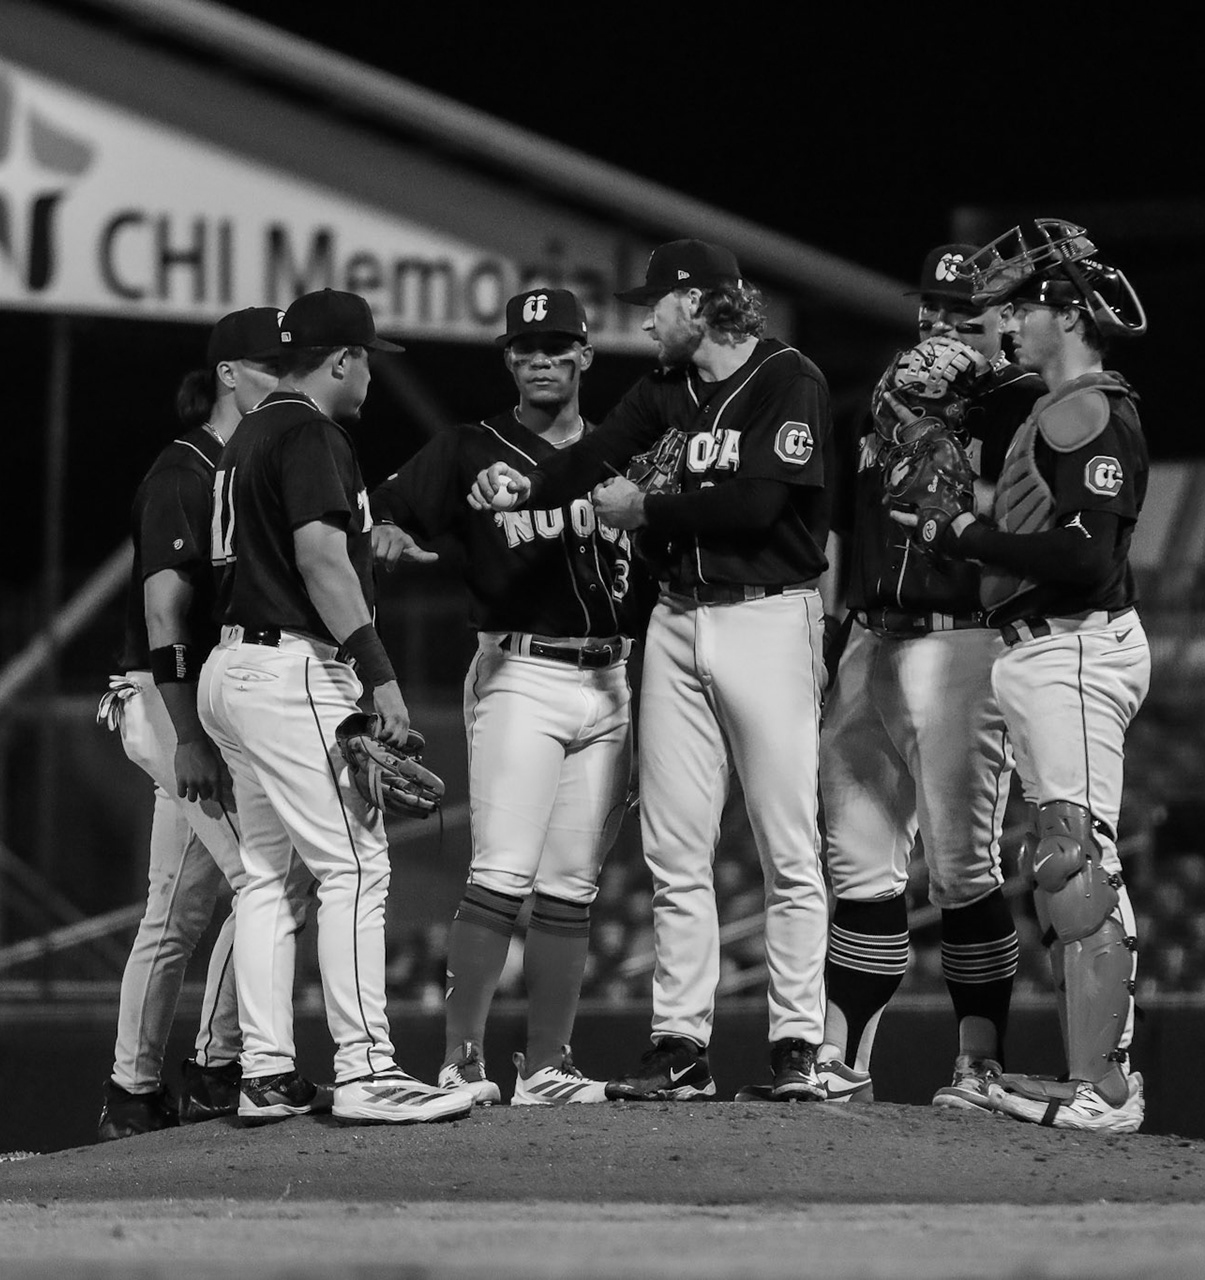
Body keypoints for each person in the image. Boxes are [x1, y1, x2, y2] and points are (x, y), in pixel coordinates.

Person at [468, 240, 833, 1102]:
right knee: (675, 847)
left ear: (698, 302)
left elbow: (758, 503)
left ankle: (797, 1044)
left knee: (787, 845)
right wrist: (518, 488)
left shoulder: (788, 379)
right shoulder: (666, 388)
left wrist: (649, 507)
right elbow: (590, 458)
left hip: (767, 616)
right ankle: (680, 1044)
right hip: (674, 619)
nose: (645, 321)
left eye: (655, 304)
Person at [896, 218, 1151, 1132]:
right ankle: (1095, 1077)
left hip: (1074, 643)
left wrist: (965, 535)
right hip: (1046, 646)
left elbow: (1085, 557)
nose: (1004, 321)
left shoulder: (1086, 408)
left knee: (1074, 859)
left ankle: (1104, 1089)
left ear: (1068, 314)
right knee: (1061, 859)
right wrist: (959, 519)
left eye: (1021, 306)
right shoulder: (1062, 407)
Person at [198, 289, 473, 1125]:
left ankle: (266, 1072)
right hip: (292, 669)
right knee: (355, 867)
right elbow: (319, 560)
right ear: (344, 360)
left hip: (232, 666)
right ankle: (367, 1070)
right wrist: (378, 673)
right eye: (367, 361)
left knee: (265, 877)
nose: (370, 377)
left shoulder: (246, 435)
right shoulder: (313, 432)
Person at [369, 288, 641, 1106]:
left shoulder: (621, 454)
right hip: (520, 672)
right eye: (526, 348)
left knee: (572, 884)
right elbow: (379, 512)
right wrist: (386, 532)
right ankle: (461, 1060)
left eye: (557, 346)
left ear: (585, 355)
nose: (541, 360)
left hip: (613, 678)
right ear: (509, 359)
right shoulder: (469, 449)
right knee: (501, 871)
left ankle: (549, 1066)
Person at [814, 246, 1045, 1110]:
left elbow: (1035, 528)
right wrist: (828, 638)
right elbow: (840, 529)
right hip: (871, 639)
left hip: (964, 645)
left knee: (961, 870)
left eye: (964, 309)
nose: (942, 321)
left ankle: (979, 1065)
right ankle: (841, 1062)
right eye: (934, 306)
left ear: (1003, 321)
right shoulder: (880, 400)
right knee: (859, 865)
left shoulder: (1023, 405)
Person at [93, 307, 310, 1141]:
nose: (286, 381)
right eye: (270, 368)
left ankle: (133, 1090)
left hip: (204, 700)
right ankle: (222, 1065)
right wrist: (186, 736)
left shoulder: (248, 462)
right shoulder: (183, 471)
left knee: (178, 914)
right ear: (228, 374)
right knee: (272, 878)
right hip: (165, 698)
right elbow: (164, 612)